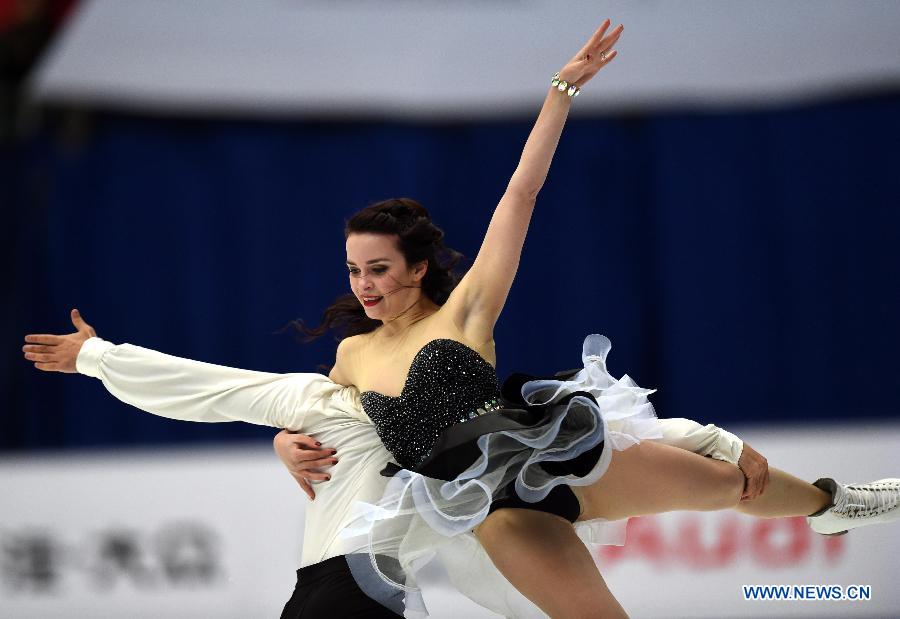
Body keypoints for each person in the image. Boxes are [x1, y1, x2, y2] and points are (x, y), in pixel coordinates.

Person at [24, 18, 900, 618]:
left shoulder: (470, 307)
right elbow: (320, 425)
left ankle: (829, 503)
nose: (363, 286)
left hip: (559, 456)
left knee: (740, 485)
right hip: (487, 514)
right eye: (352, 272)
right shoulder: (352, 356)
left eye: (378, 269)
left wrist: (561, 87)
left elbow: (522, 192)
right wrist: (284, 446)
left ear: (414, 267)